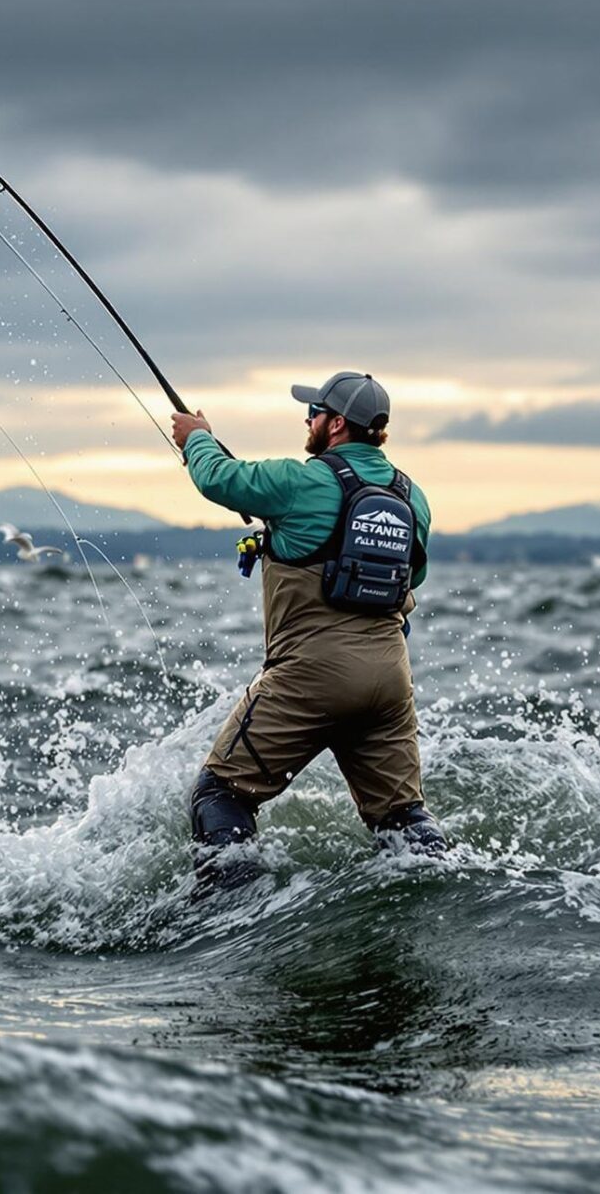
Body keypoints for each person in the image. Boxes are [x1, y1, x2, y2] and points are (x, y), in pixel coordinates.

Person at [170, 370, 448, 890]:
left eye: (314, 412)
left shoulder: (301, 481)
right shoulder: (415, 499)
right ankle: (445, 890)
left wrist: (197, 440)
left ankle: (234, 917)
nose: (308, 420)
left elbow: (220, 480)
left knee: (220, 795)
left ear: (336, 424)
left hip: (311, 678)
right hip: (390, 685)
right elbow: (413, 578)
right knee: (402, 818)